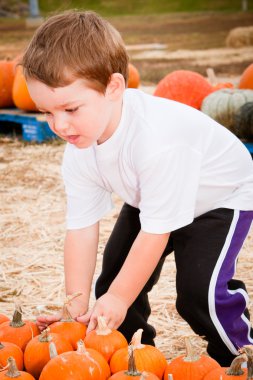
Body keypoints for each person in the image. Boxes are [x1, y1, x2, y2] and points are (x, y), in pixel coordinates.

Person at [21, 10, 253, 366]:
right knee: (112, 281)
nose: (60, 125)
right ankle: (131, 359)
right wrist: (76, 306)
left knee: (198, 294)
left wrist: (118, 297)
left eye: (69, 108)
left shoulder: (157, 142)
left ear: (114, 88)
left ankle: (240, 356)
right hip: (153, 195)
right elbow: (81, 228)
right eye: (47, 113)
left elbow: (155, 233)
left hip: (218, 198)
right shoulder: (80, 146)